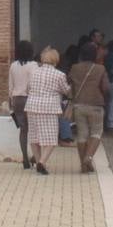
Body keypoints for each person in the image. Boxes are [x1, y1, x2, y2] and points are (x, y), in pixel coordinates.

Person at [25, 46, 70, 174]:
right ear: (56, 59)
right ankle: (42, 162)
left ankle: (39, 163)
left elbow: (28, 89)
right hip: (49, 107)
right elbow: (66, 90)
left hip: (32, 106)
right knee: (50, 138)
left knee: (34, 137)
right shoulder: (60, 75)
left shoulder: (33, 72)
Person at [68, 42, 109, 172]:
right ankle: (89, 157)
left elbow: (70, 85)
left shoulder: (74, 68)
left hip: (79, 104)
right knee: (96, 132)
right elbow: (106, 87)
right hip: (96, 104)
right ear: (94, 54)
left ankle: (83, 165)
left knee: (82, 134)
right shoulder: (100, 68)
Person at [9, 40, 38, 169]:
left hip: (16, 99)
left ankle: (25, 159)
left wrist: (11, 101)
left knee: (23, 130)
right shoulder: (33, 65)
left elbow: (10, 85)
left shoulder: (13, 65)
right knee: (35, 129)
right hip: (29, 98)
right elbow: (33, 83)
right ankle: (36, 156)